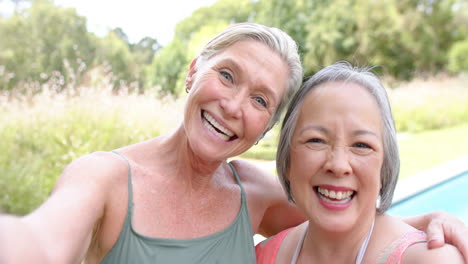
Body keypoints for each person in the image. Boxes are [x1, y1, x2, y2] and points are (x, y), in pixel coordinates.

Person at [0, 23, 466, 264]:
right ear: (192, 72)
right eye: (227, 75)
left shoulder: (255, 195)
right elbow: (40, 242)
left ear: (266, 128)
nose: (233, 105)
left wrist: (428, 219)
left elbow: (344, 214)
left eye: (260, 100)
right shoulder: (103, 177)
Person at [255, 62, 465, 263]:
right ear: (288, 159)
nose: (338, 165)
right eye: (316, 140)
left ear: (384, 167)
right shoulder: (260, 257)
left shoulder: (430, 259)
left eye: (362, 145)